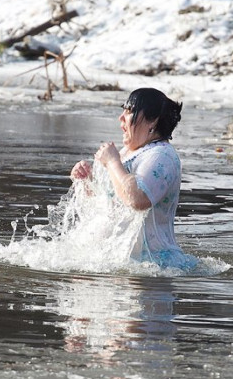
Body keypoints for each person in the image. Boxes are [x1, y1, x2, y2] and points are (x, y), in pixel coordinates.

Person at [70, 88, 197, 270]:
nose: (121, 118)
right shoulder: (130, 153)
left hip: (154, 270)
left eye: (130, 111)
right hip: (123, 264)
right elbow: (109, 208)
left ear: (152, 121)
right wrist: (86, 181)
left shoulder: (162, 156)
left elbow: (137, 199)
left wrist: (112, 162)